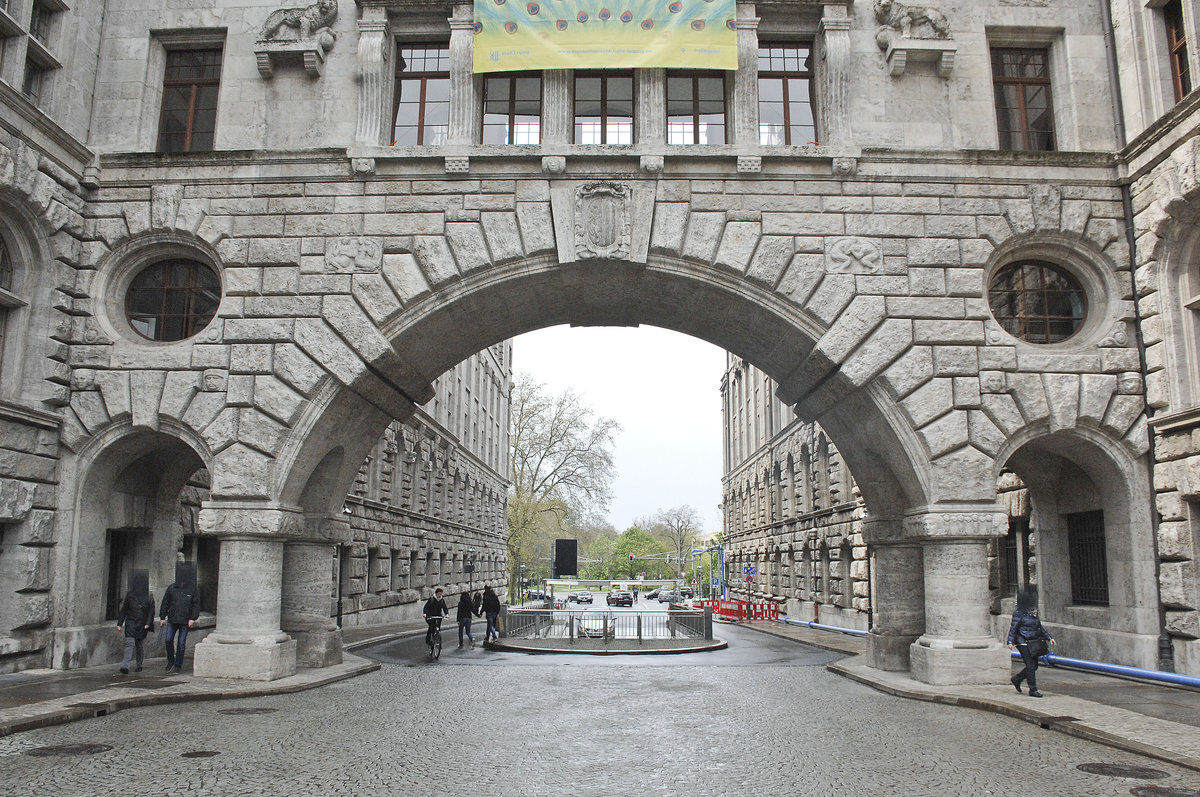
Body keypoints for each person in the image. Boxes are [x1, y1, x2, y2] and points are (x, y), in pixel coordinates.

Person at [1007, 586, 1056, 698]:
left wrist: (1049, 637)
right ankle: (1032, 689)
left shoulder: (1033, 612)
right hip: (1022, 641)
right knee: (1030, 665)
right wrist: (1010, 641)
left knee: (1034, 665)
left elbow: (1039, 627)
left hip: (1032, 641)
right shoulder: (1019, 613)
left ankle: (1017, 679)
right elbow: (1013, 628)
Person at [159, 562, 200, 674]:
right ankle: (170, 661)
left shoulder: (192, 589)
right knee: (168, 640)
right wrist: (162, 616)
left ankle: (178, 664)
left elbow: (196, 604)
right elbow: (165, 603)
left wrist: (192, 618)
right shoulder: (172, 588)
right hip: (172, 618)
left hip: (185, 620)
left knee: (181, 644)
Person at [116, 569, 154, 674]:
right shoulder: (130, 595)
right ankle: (125, 666)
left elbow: (151, 611)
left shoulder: (149, 596)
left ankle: (139, 664)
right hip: (131, 623)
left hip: (142, 624)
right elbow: (124, 610)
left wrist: (148, 623)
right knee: (129, 643)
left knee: (139, 644)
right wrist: (120, 623)